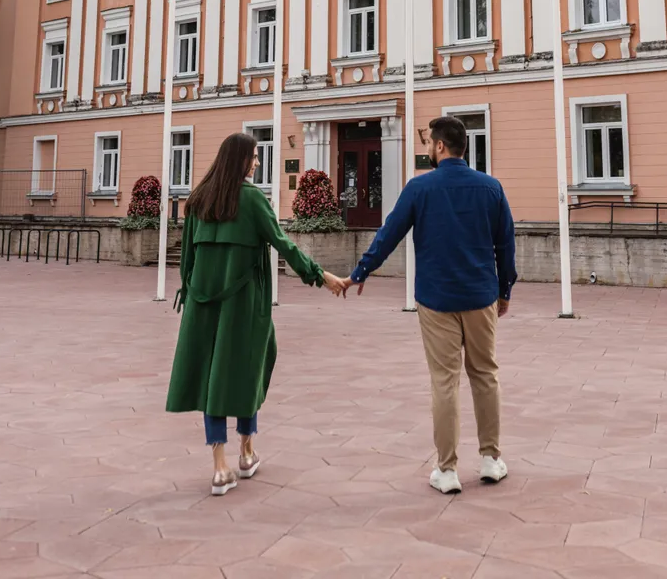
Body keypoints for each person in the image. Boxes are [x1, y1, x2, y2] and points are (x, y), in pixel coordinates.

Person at [341, 115, 517, 495]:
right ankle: (490, 458)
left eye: (428, 143)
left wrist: (361, 271)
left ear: (439, 146)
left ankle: (447, 469)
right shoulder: (491, 188)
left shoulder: (419, 188)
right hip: (481, 295)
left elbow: (390, 233)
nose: (427, 149)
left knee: (445, 381)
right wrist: (505, 290)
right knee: (485, 374)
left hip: (436, 299)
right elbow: (506, 243)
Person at [166, 132, 344, 496]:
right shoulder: (252, 199)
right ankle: (246, 451)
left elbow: (187, 261)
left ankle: (220, 467)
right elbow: (283, 243)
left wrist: (192, 294)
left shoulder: (198, 199)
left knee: (211, 375)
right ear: (241, 159)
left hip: (201, 303)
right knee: (250, 366)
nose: (258, 162)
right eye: (255, 156)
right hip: (244, 302)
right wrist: (320, 275)